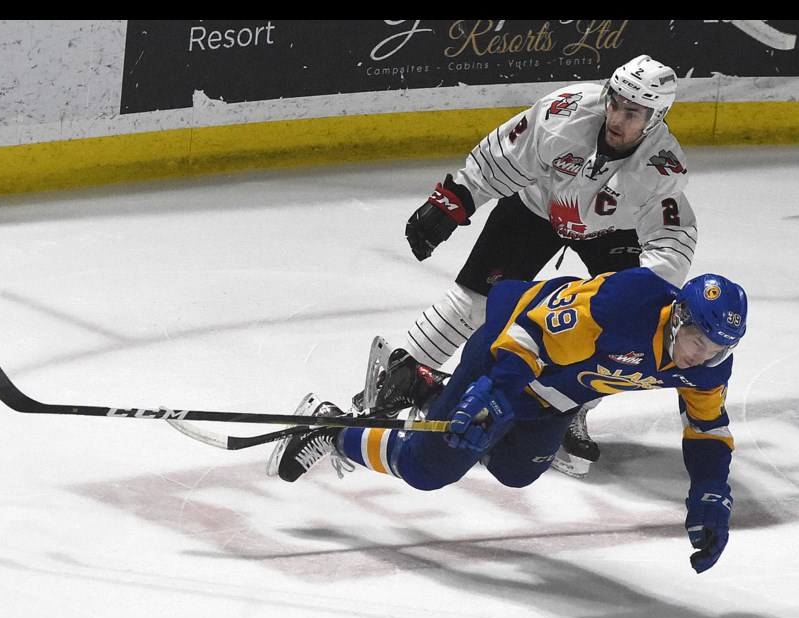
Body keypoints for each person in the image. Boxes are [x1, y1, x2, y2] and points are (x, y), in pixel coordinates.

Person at [272, 268, 747, 574]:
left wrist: (710, 492)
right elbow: (530, 336)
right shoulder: (627, 303)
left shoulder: (706, 366)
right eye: (696, 340)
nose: (698, 357)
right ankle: (330, 428)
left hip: (555, 397)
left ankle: (423, 386)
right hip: (507, 353)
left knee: (515, 471)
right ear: (678, 314)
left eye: (715, 349)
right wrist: (490, 396)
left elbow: (707, 427)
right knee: (427, 470)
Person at [355, 54, 696, 478]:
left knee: (620, 332)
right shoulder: (564, 113)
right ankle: (398, 373)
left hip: (613, 234)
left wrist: (642, 298)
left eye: (632, 112)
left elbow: (671, 243)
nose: (616, 117)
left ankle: (573, 406)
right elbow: (503, 156)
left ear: (656, 117)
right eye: (614, 102)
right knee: (476, 302)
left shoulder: (662, 166)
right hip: (537, 208)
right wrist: (455, 199)